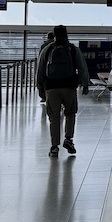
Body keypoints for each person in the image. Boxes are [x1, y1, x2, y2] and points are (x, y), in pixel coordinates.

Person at [36, 24, 88, 157]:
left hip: (51, 88)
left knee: (54, 117)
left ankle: (54, 147)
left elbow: (40, 69)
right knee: (70, 114)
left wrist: (40, 87)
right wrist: (85, 83)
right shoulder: (72, 49)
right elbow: (82, 67)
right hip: (69, 87)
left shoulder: (47, 49)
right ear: (66, 34)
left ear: (54, 35)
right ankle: (68, 139)